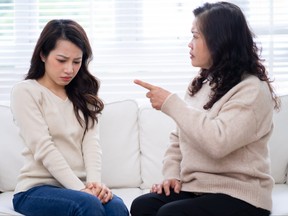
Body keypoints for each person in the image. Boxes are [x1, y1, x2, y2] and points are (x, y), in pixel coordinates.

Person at [130, 2, 280, 216]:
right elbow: (178, 138)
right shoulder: (201, 83)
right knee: (143, 206)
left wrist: (171, 103)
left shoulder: (252, 89)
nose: (189, 44)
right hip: (198, 189)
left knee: (170, 214)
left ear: (218, 41)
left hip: (242, 196)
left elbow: (218, 142)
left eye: (195, 36)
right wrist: (172, 175)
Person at [10, 19, 129, 216]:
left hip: (79, 188)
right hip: (35, 190)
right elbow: (43, 147)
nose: (69, 70)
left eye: (77, 62)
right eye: (62, 60)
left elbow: (91, 144)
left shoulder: (83, 95)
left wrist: (94, 186)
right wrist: (82, 191)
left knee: (116, 206)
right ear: (43, 55)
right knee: (87, 205)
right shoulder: (26, 92)